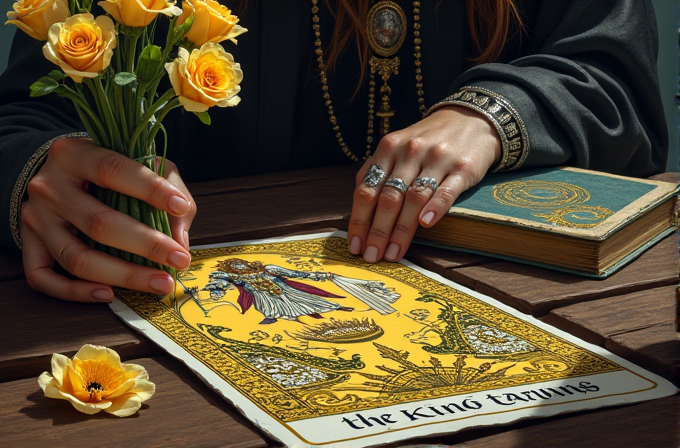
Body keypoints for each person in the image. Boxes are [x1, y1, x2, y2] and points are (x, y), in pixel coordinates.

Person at [0, 0, 668, 304]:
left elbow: (618, 85)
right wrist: (41, 170)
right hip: (167, 297)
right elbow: (26, 115)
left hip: (530, 296)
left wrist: (494, 115)